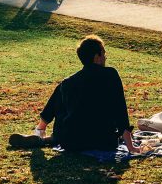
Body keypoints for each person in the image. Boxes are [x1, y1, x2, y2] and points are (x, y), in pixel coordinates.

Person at [8, 35, 140, 153]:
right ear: (97, 57)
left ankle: (41, 132)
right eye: (104, 53)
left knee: (62, 94)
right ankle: (44, 137)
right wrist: (130, 146)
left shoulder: (68, 82)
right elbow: (120, 110)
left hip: (70, 142)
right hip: (103, 141)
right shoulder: (110, 74)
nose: (105, 57)